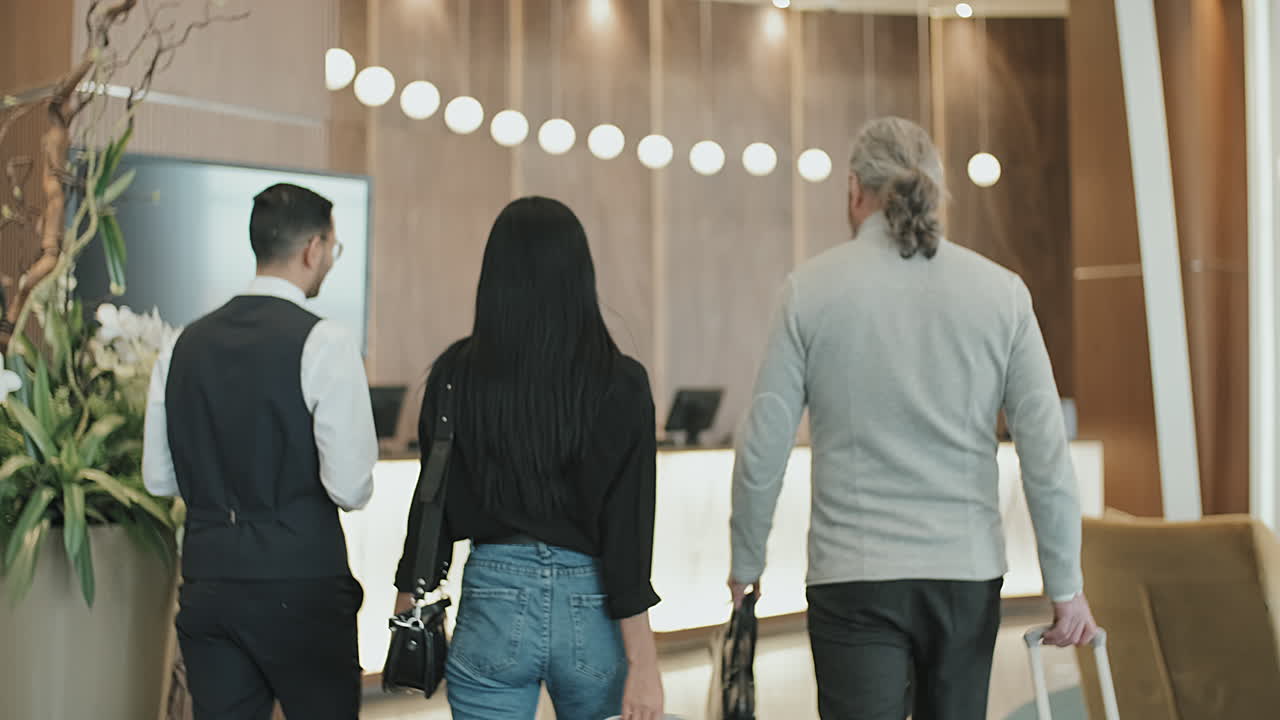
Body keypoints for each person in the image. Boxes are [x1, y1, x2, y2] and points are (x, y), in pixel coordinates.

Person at [727, 117, 1098, 720]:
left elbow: (763, 443)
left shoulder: (811, 291)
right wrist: (1065, 585)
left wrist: (746, 562)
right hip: (965, 577)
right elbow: (1045, 451)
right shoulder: (1000, 292)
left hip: (853, 577)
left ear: (854, 190)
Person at [394, 197, 664, 720]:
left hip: (492, 597)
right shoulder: (622, 381)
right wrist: (645, 662)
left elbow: (434, 500)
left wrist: (409, 594)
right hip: (594, 604)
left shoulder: (454, 373)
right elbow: (629, 535)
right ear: (581, 276)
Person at [143, 183, 378, 720]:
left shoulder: (180, 343)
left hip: (209, 582)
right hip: (303, 584)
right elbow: (350, 488)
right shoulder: (325, 341)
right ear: (313, 248)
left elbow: (158, 479)